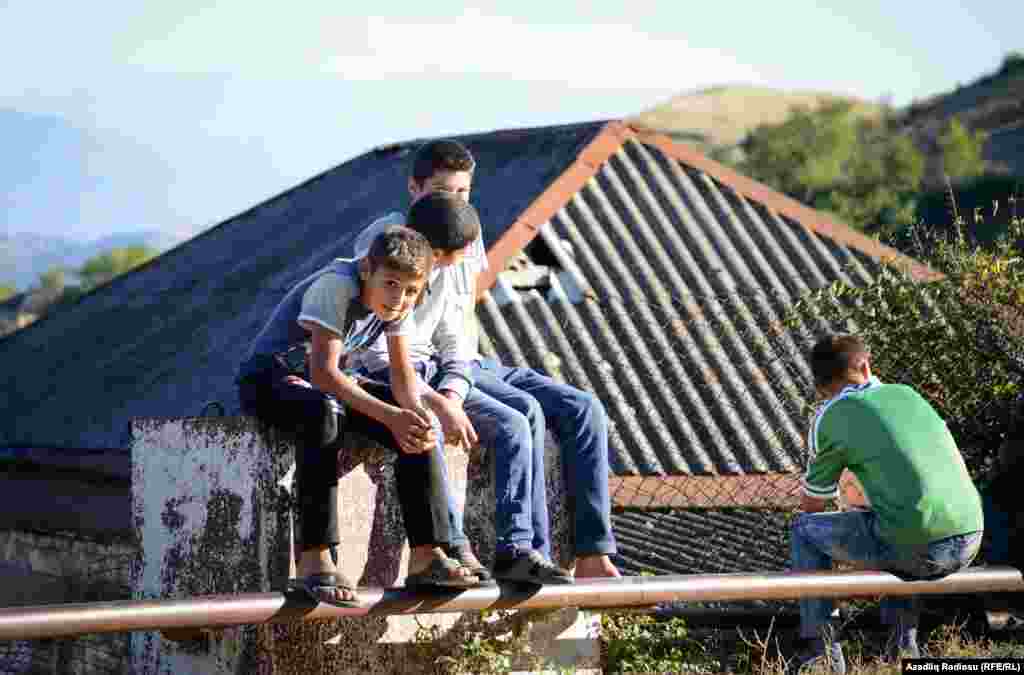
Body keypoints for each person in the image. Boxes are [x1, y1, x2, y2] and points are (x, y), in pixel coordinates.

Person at [353, 139, 619, 580]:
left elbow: (458, 326)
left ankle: (591, 553)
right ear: (414, 188)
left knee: (582, 407)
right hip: (413, 366)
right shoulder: (389, 244)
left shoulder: (463, 233)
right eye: (441, 191)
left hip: (462, 362)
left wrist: (454, 388)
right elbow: (377, 347)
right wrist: (444, 398)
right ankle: (508, 548)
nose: (453, 202)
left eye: (462, 193)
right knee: (518, 415)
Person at [237, 226, 480, 607]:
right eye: (392, 285)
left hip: (323, 383)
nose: (399, 299)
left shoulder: (398, 303)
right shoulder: (336, 286)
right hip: (272, 379)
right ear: (368, 269)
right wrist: (390, 416)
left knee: (418, 426)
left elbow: (402, 374)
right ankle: (314, 557)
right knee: (322, 411)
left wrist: (412, 417)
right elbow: (323, 374)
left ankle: (426, 554)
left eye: (411, 291)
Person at [790, 334, 984, 673]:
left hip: (920, 548)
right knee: (896, 520)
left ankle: (822, 653)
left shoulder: (832, 416)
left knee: (805, 530)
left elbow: (813, 504)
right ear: (865, 364)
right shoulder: (908, 395)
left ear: (820, 385)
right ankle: (904, 649)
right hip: (972, 537)